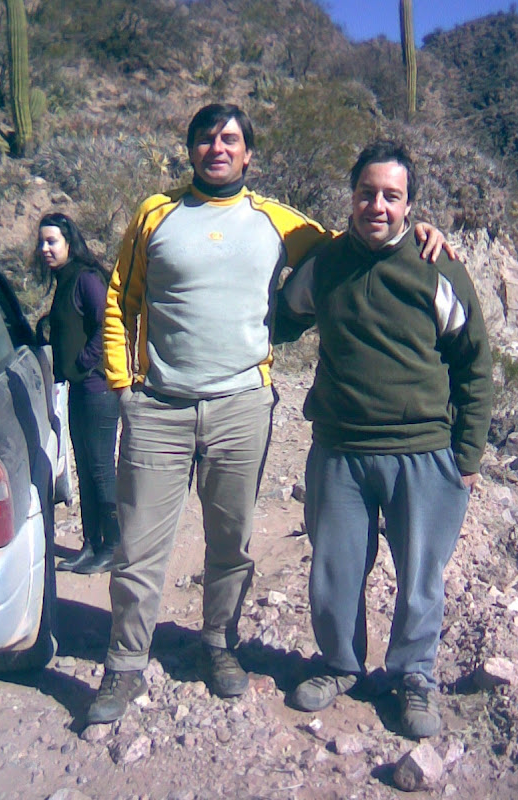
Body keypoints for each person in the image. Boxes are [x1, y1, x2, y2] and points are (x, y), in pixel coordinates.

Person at [86, 104, 453, 726]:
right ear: (190, 148)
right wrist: (124, 386)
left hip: (241, 406)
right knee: (139, 546)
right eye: (206, 138)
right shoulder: (155, 214)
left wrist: (421, 233)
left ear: (248, 153)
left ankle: (219, 644)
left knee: (231, 542)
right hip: (159, 406)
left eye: (230, 138)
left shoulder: (279, 222)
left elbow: (360, 241)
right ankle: (124, 664)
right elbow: (122, 295)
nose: (217, 148)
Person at [276, 142, 493, 738]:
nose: (377, 205)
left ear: (409, 205)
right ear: (352, 196)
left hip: (424, 450)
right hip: (339, 449)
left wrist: (468, 455)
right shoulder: (326, 264)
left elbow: (475, 364)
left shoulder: (436, 268)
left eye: (391, 196)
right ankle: (340, 665)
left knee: (421, 574)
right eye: (367, 193)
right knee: (335, 567)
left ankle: (414, 677)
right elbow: (280, 318)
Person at [35, 213, 120, 575]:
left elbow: (108, 323)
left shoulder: (86, 278)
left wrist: (84, 362)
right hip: (79, 388)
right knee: (84, 467)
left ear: (69, 242)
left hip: (98, 388)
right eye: (42, 242)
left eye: (52, 241)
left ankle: (113, 546)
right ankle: (91, 544)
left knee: (100, 468)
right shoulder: (65, 280)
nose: (45, 248)